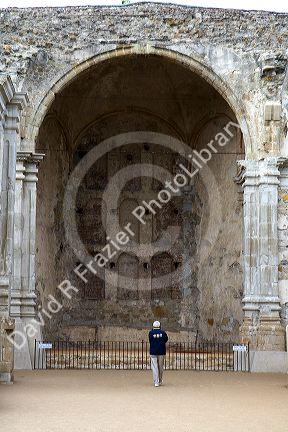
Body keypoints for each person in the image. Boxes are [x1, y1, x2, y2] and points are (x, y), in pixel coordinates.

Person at [149, 321, 168, 387]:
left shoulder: (151, 333)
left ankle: (156, 381)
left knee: (154, 367)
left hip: (153, 351)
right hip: (161, 352)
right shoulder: (163, 333)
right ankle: (160, 380)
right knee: (160, 367)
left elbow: (150, 340)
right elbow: (166, 340)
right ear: (160, 326)